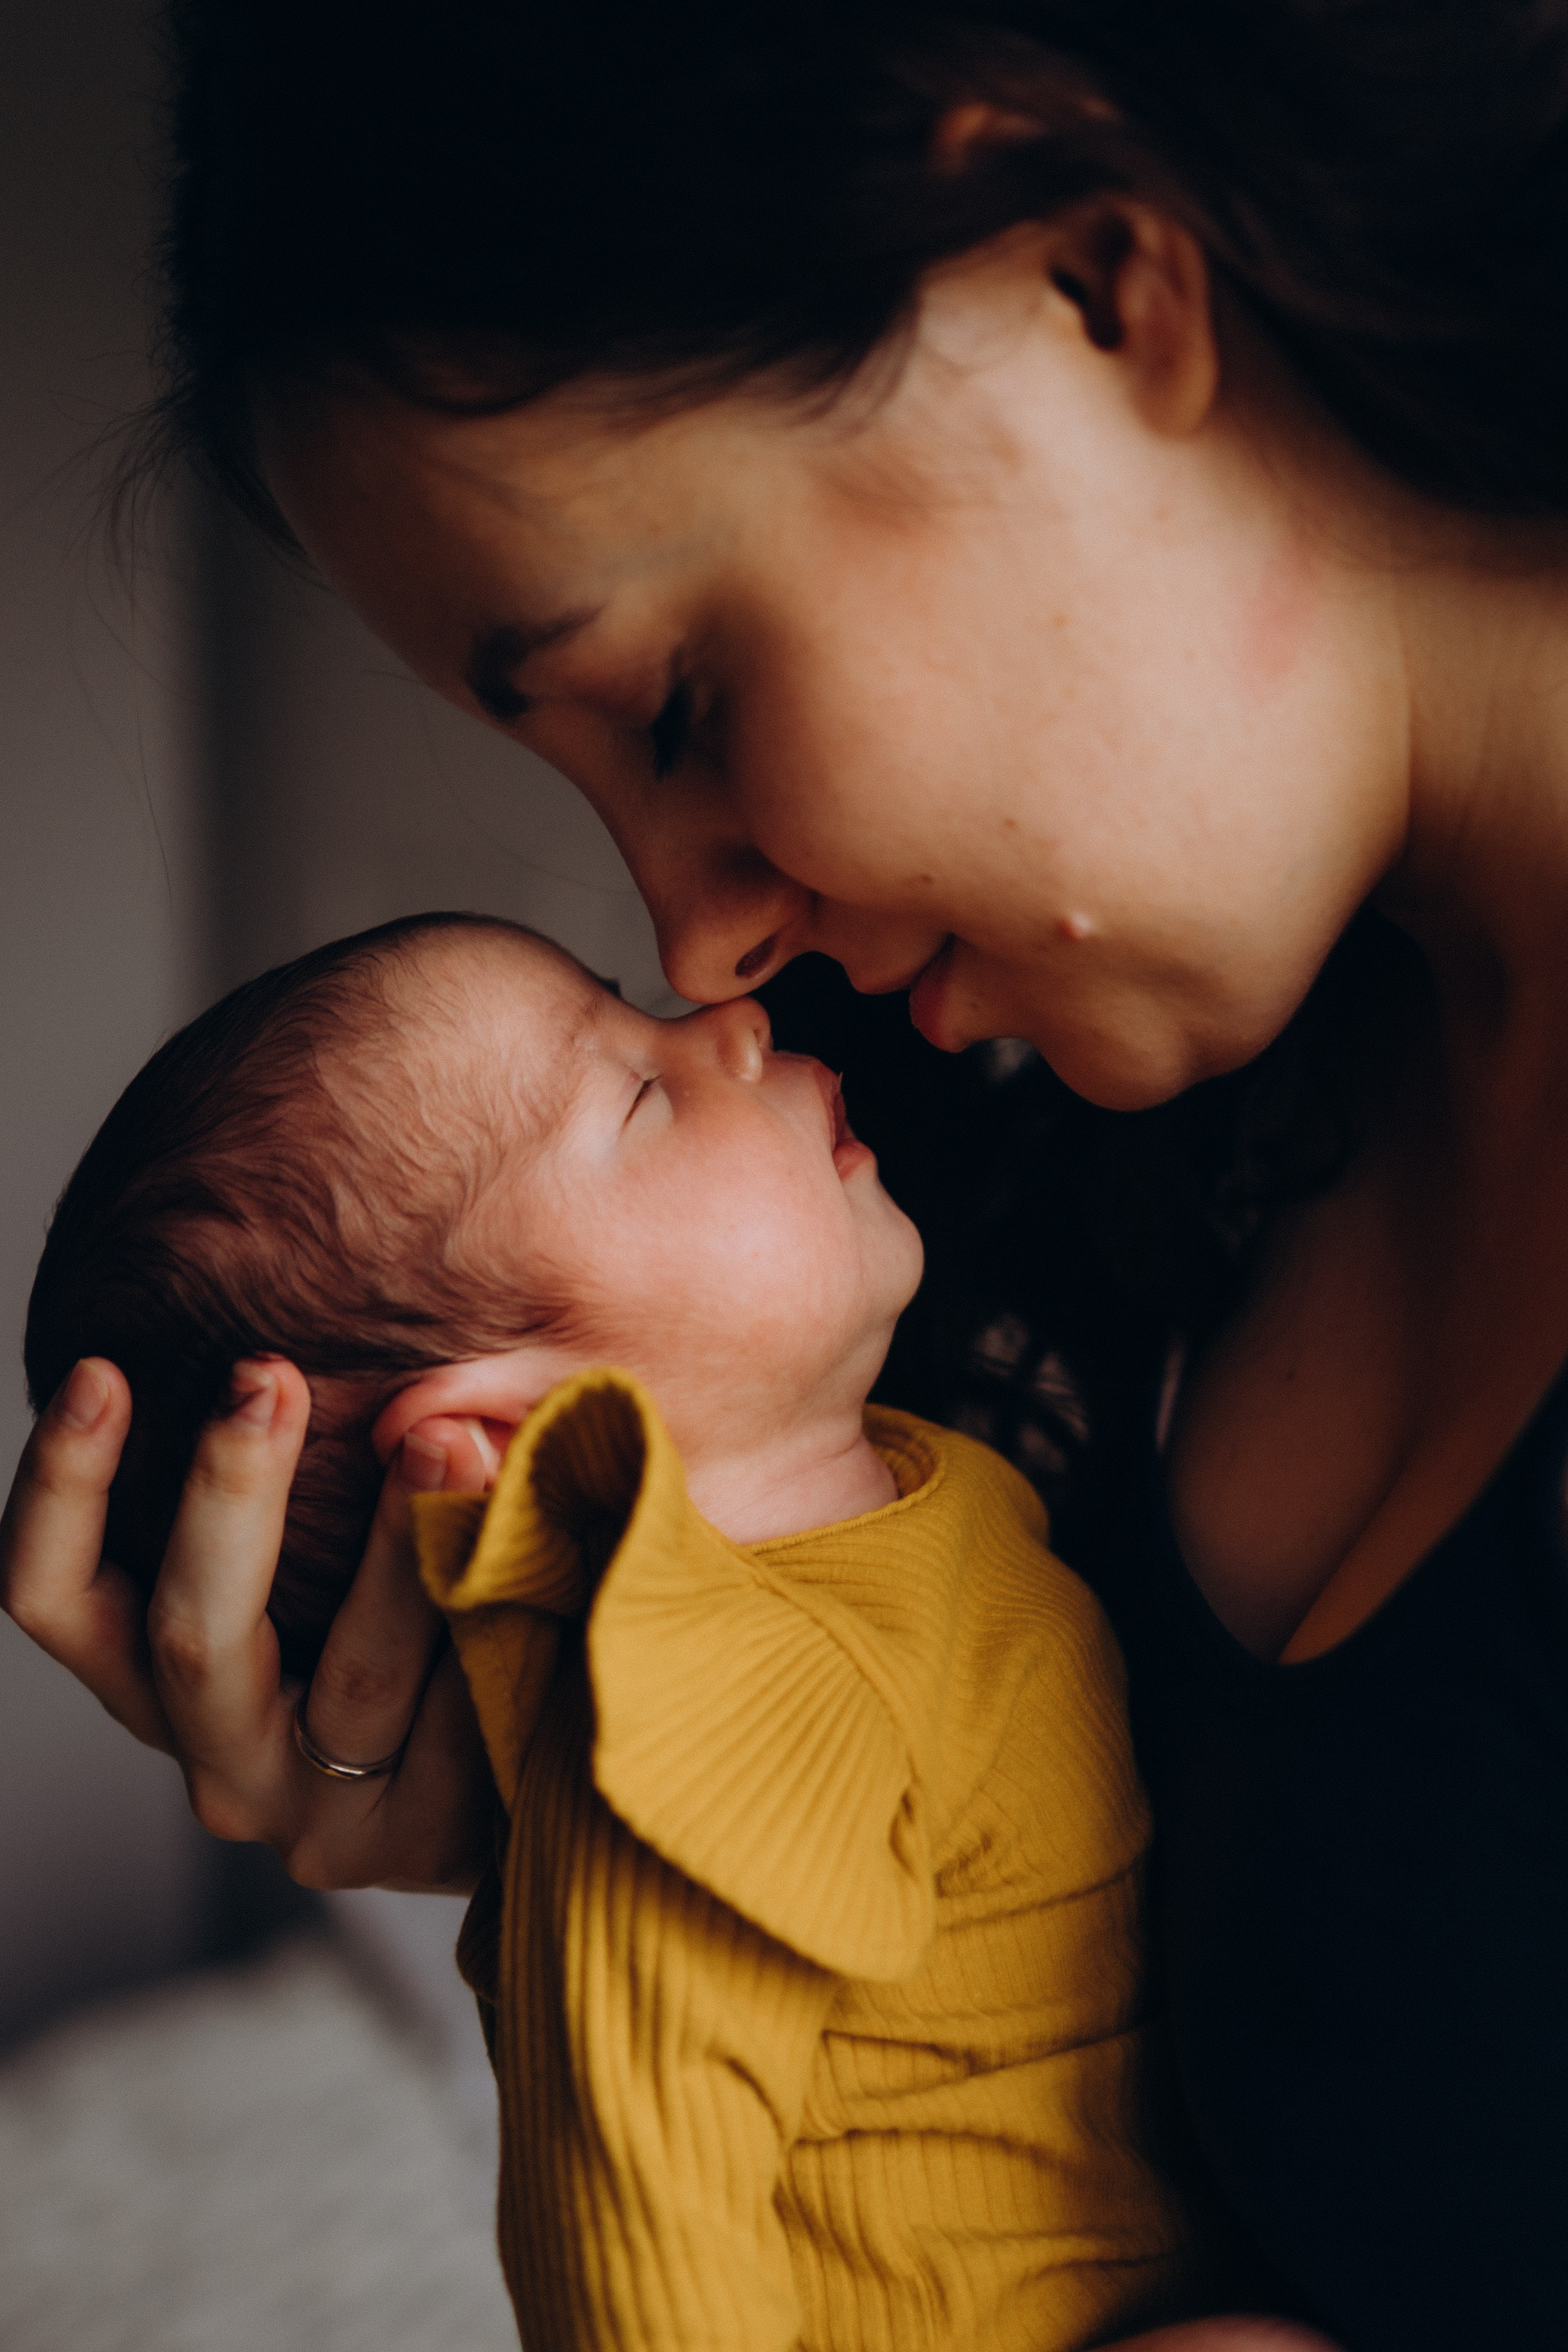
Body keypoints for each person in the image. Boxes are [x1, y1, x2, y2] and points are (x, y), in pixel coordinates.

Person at [5, 3, 1567, 2342]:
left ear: (1081, 280)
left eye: (679, 705)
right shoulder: (966, 1121)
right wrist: (549, 1805)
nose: (702, 935)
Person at [25, 908, 1225, 2349]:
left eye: (630, 1011)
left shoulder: (886, 1491)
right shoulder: (696, 1729)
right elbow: (633, 2239)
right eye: (641, 1092)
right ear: (503, 1433)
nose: (725, 1020)